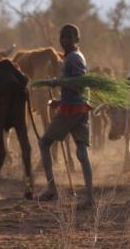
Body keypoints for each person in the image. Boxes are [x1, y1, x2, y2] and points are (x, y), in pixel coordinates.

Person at [37, 24, 95, 209]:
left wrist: (56, 82)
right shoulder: (74, 57)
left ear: (77, 40)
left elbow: (78, 85)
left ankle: (51, 189)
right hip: (77, 107)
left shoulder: (74, 59)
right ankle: (90, 198)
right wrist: (60, 101)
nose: (64, 41)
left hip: (72, 110)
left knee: (44, 143)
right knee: (81, 152)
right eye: (62, 37)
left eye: (69, 37)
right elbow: (77, 88)